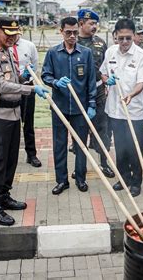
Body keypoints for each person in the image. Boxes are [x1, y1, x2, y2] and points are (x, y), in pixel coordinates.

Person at [0, 17, 49, 226]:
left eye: (15, 34)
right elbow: (0, 85)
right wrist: (30, 89)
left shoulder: (8, 52)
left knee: (11, 160)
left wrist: (24, 77)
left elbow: (12, 79)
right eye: (8, 34)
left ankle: (4, 196)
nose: (12, 38)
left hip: (13, 114)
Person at [41, 17, 96, 195]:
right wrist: (56, 82)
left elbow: (91, 81)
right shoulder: (53, 53)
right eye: (68, 33)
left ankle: (80, 178)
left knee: (81, 145)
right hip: (60, 108)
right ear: (61, 32)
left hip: (80, 109)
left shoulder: (86, 53)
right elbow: (45, 75)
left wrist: (92, 104)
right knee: (59, 145)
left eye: (74, 32)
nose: (72, 36)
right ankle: (62, 180)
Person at [101, 18, 143, 197]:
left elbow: (142, 82)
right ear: (115, 36)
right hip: (114, 109)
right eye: (120, 38)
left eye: (128, 38)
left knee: (135, 148)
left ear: (134, 36)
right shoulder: (110, 52)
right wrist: (107, 80)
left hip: (134, 110)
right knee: (120, 147)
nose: (124, 42)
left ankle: (136, 182)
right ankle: (124, 178)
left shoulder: (141, 56)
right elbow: (103, 74)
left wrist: (131, 95)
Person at [76, 9, 114, 178]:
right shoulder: (73, 42)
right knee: (78, 131)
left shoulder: (100, 43)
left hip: (98, 92)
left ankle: (105, 163)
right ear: (80, 24)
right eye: (91, 23)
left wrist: (107, 81)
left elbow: (105, 67)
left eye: (95, 24)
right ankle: (79, 168)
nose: (94, 27)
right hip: (79, 93)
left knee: (102, 128)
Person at [12, 34, 42, 168]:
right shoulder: (3, 47)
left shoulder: (29, 46)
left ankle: (31, 154)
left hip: (28, 87)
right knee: (11, 124)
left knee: (28, 122)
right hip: (10, 88)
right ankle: (11, 156)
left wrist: (27, 77)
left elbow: (34, 66)